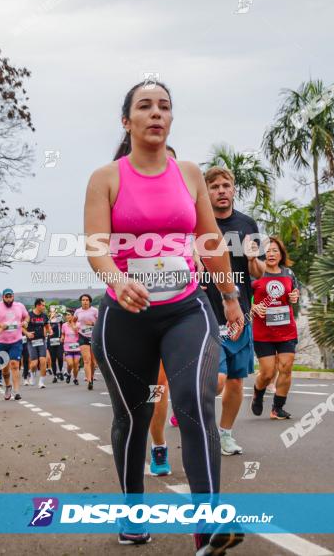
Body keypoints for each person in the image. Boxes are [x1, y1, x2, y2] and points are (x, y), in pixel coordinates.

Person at [84, 80, 244, 553]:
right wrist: (117, 280)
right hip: (125, 315)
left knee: (196, 399)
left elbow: (209, 241)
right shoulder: (106, 177)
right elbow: (96, 246)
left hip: (186, 310)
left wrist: (230, 297)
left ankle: (208, 527)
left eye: (165, 107)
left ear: (171, 118)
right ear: (126, 121)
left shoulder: (189, 173)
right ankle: (133, 513)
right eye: (145, 107)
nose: (156, 114)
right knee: (132, 418)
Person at [201, 165, 265, 455]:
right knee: (215, 382)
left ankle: (225, 434)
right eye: (214, 187)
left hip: (239, 314)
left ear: (234, 188)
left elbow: (260, 271)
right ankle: (196, 415)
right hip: (205, 313)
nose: (221, 191)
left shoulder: (247, 224)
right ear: (207, 192)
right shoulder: (198, 224)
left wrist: (253, 259)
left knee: (236, 379)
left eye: (226, 185)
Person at [149, 144, 181, 477]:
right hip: (143, 313)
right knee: (155, 389)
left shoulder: (188, 208)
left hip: (184, 312)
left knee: (206, 383)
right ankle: (158, 446)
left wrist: (229, 297)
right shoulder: (127, 205)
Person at [249, 237, 300, 420]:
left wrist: (295, 296)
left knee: (286, 367)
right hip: (263, 332)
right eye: (268, 251)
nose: (271, 254)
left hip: (286, 329)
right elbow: (243, 299)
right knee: (268, 372)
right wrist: (253, 307)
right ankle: (258, 393)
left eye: (275, 251)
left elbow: (295, 292)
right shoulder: (255, 274)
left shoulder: (288, 273)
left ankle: (277, 408)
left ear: (281, 254)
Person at [0, 288, 29, 400]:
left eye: (10, 296)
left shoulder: (20, 306)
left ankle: (16, 391)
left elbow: (26, 316)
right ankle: (8, 386)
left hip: (16, 340)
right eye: (6, 297)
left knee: (14, 364)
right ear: (3, 297)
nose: (8, 299)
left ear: (13, 296)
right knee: (5, 368)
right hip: (1, 342)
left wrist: (26, 321)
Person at [74, 294, 99, 390]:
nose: (85, 301)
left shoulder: (94, 310)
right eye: (83, 300)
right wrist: (75, 327)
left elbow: (100, 322)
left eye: (87, 300)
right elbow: (73, 321)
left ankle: (91, 377)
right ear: (81, 301)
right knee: (86, 360)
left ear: (89, 301)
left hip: (93, 336)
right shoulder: (78, 311)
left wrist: (93, 323)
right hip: (82, 336)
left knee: (93, 361)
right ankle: (89, 381)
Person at [26, 298, 51, 388]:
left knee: (43, 361)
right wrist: (27, 333)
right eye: (43, 305)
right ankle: (32, 375)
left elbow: (47, 326)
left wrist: (50, 331)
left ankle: (41, 382)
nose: (44, 307)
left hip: (41, 340)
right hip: (31, 341)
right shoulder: (29, 315)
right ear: (37, 305)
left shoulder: (44, 315)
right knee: (34, 364)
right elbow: (23, 327)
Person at [62, 310, 81, 385]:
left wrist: (73, 323)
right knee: (70, 364)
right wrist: (62, 337)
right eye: (66, 315)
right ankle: (69, 374)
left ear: (73, 316)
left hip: (77, 346)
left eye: (69, 315)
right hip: (67, 347)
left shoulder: (78, 324)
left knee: (76, 364)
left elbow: (76, 331)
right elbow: (63, 334)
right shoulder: (64, 325)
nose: (67, 316)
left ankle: (75, 378)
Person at [46, 306, 65, 382]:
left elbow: (63, 327)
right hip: (50, 340)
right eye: (51, 311)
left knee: (60, 357)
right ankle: (55, 376)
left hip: (59, 340)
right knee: (53, 359)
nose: (53, 312)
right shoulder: (47, 320)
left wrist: (63, 336)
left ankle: (60, 371)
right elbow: (46, 329)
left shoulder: (59, 318)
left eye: (54, 311)